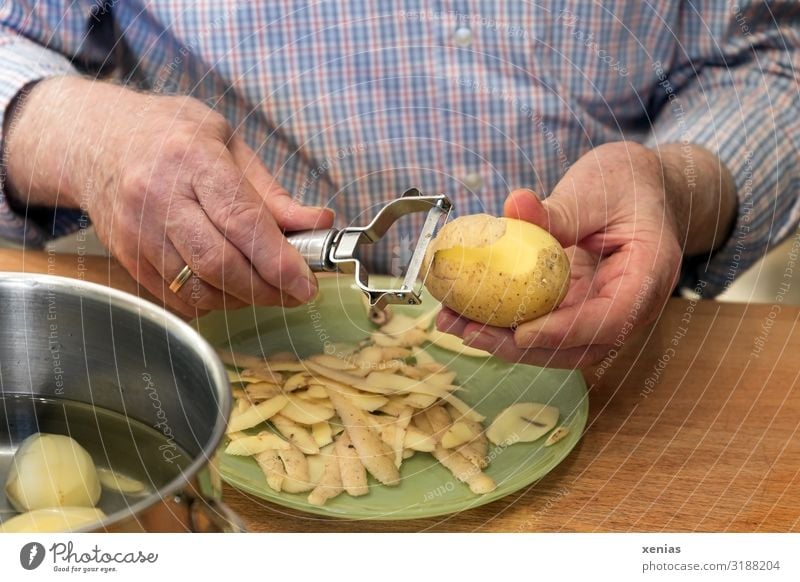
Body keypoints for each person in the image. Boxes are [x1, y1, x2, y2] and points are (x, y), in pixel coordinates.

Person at [1, 2, 798, 367]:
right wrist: (91, 136)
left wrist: (676, 185)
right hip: (240, 370)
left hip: (617, 376)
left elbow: (771, 62)